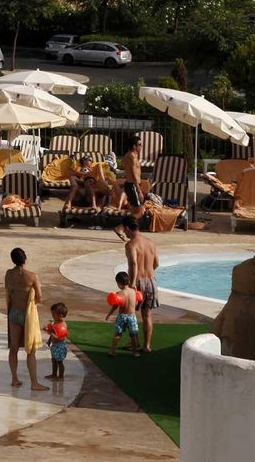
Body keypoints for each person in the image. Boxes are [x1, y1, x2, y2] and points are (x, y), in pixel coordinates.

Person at [4, 249, 49, 391]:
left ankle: (14, 379)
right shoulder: (32, 276)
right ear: (25, 258)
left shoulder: (8, 274)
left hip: (14, 313)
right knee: (31, 350)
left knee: (14, 347)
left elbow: (8, 293)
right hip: (27, 315)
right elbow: (40, 298)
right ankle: (34, 383)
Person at [120, 217, 161, 351]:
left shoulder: (131, 245)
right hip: (151, 281)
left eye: (124, 229)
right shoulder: (151, 243)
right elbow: (156, 264)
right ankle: (147, 346)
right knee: (147, 315)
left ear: (127, 228)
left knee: (131, 313)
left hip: (137, 282)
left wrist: (132, 283)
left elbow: (133, 264)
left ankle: (135, 342)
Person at [106, 271, 142, 356]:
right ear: (128, 281)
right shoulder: (133, 292)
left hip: (122, 316)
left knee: (118, 334)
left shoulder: (119, 294)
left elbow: (115, 306)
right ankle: (135, 352)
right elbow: (136, 303)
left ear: (119, 283)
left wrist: (109, 315)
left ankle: (112, 351)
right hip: (132, 316)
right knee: (133, 335)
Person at [116, 136, 147, 215]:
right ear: (134, 146)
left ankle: (127, 226)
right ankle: (123, 226)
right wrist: (139, 190)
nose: (141, 146)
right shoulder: (131, 157)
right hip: (132, 185)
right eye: (140, 144)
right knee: (138, 210)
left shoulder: (132, 156)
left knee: (134, 209)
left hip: (132, 185)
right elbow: (133, 175)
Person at [44, 303, 70, 381]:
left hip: (60, 346)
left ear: (61, 315)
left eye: (53, 314)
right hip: (55, 346)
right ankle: (54, 374)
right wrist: (49, 340)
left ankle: (61, 376)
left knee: (59, 361)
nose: (52, 316)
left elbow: (60, 338)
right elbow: (53, 333)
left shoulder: (62, 325)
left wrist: (48, 332)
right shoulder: (55, 323)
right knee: (54, 360)